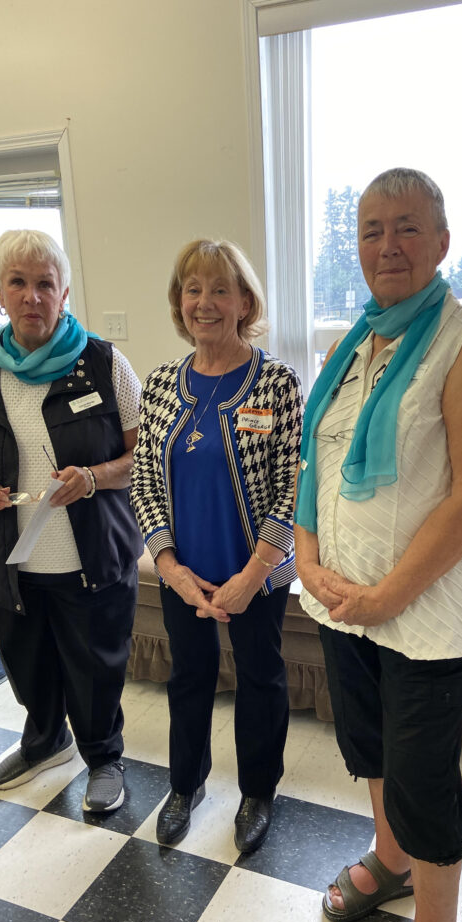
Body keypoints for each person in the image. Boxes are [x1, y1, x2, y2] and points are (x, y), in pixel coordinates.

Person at [295, 169, 462, 922]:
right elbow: (315, 463)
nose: (387, 245)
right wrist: (308, 557)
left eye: (407, 228)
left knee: (421, 773)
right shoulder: (351, 345)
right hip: (346, 600)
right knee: (370, 744)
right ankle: (390, 860)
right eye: (371, 230)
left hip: (426, 613)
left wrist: (389, 594)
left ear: (442, 242)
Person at [0, 229, 143, 814]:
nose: (32, 296)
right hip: (10, 560)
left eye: (45, 284)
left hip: (90, 556)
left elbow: (144, 456)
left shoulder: (104, 364)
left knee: (96, 668)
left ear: (64, 292)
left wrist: (95, 477)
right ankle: (45, 740)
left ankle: (103, 757)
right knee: (26, 662)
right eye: (18, 283)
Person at [131, 239, 302, 853]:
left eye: (220, 289)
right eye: (193, 289)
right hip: (185, 573)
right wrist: (169, 566)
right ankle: (186, 785)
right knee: (189, 676)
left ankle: (258, 792)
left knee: (260, 678)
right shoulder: (159, 384)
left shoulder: (276, 383)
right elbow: (144, 480)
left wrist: (254, 574)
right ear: (179, 302)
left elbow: (294, 485)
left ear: (244, 302)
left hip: (256, 572)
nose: (204, 302)